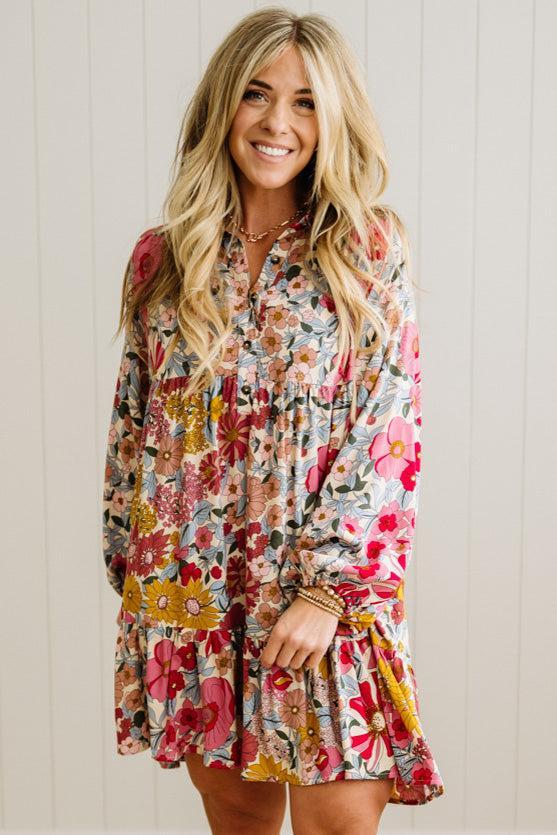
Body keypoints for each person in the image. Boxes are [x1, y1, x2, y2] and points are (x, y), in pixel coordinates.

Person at [102, 6, 445, 834]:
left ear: (332, 121)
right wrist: (138, 577)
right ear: (224, 104)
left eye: (304, 102)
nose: (276, 122)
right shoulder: (164, 257)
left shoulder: (366, 249)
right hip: (195, 597)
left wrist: (329, 590)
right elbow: (132, 427)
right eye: (257, 94)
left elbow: (387, 428)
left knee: (337, 818)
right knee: (238, 817)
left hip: (319, 596)